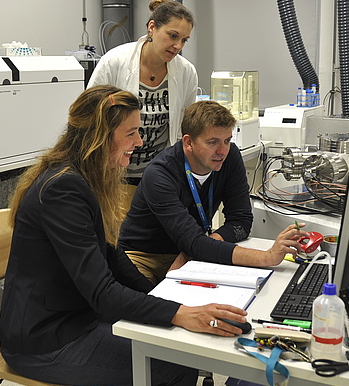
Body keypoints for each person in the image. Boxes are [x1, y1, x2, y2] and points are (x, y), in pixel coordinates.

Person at [0, 86, 247, 386]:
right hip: (44, 339)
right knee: (177, 367)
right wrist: (178, 313)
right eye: (131, 133)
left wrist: (159, 298)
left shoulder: (81, 177)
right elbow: (102, 291)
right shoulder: (63, 190)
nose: (139, 142)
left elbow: (110, 256)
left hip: (72, 315)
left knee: (170, 339)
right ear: (101, 136)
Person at [119, 100, 306, 284]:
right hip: (144, 257)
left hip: (188, 250)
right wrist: (267, 257)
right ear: (188, 142)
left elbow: (241, 220)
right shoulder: (160, 174)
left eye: (227, 141)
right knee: (149, 307)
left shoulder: (230, 157)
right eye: (212, 142)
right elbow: (196, 243)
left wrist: (204, 244)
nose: (222, 151)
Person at [87, 0, 198, 184]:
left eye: (184, 40)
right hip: (114, 171)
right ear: (152, 28)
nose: (178, 46)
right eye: (172, 36)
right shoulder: (114, 62)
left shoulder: (186, 72)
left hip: (159, 173)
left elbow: (183, 126)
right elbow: (89, 117)